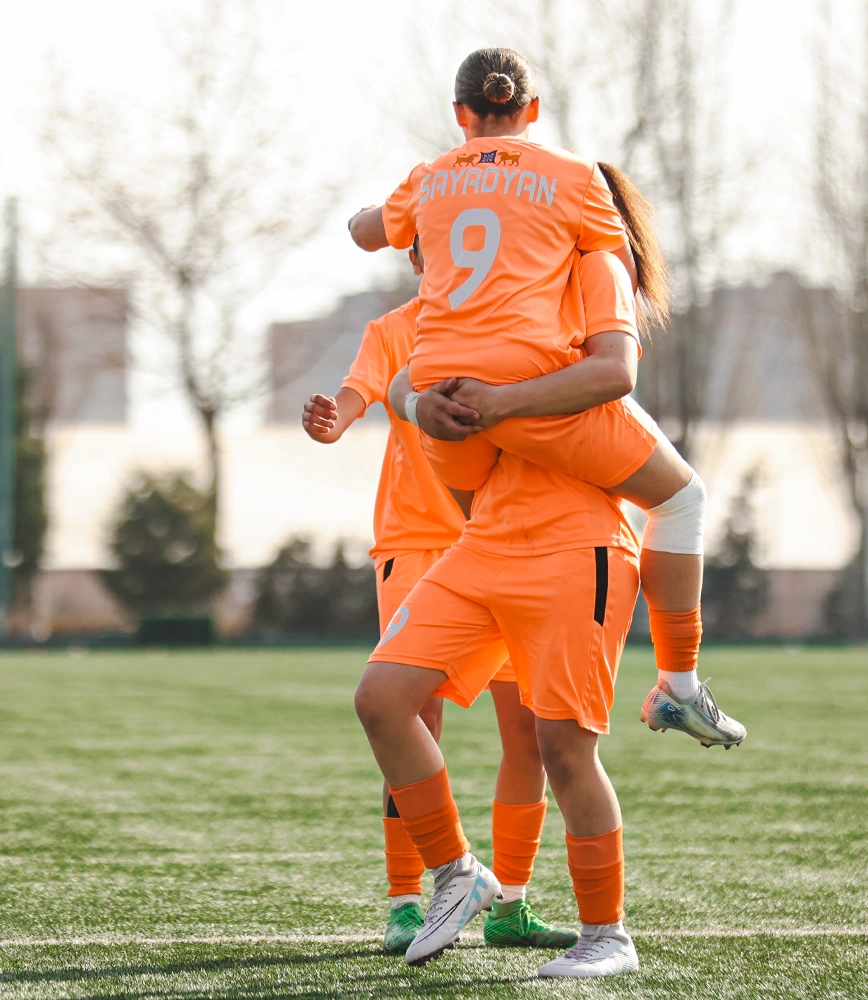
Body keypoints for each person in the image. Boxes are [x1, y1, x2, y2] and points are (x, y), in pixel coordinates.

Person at [347, 49, 742, 749]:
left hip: (443, 415)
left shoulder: (431, 181)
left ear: (459, 113)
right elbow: (612, 367)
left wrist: (377, 213)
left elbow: (366, 235)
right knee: (683, 499)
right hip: (523, 424)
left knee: (479, 522)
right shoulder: (580, 217)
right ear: (531, 110)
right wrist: (505, 400)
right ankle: (679, 684)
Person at [301, 243, 577, 955]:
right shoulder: (394, 329)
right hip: (417, 545)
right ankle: (406, 900)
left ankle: (510, 904)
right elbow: (357, 394)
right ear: (419, 259)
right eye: (434, 247)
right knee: (411, 716)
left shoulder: (513, 326)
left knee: (528, 730)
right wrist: (335, 418)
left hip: (505, 545)